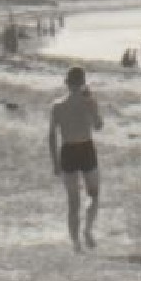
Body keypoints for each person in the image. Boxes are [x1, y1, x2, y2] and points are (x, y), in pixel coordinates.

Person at [48, 65, 104, 253]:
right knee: (93, 195)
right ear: (82, 83)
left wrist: (55, 162)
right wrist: (91, 104)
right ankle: (87, 230)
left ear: (67, 83)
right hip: (85, 149)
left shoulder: (57, 106)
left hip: (68, 151)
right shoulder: (89, 102)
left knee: (73, 202)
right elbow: (98, 126)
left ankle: (76, 243)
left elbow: (51, 136)